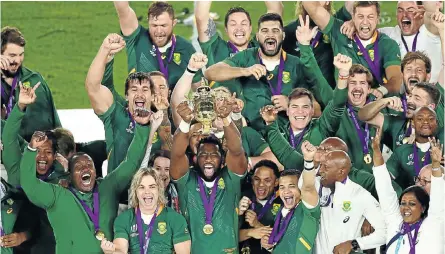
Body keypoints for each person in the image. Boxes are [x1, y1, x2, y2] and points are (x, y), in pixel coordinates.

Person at [18, 107, 155, 253]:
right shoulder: (57, 195)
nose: (85, 168)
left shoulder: (108, 187)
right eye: (78, 166)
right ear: (69, 175)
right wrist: (31, 149)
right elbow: (29, 184)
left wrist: (142, 127)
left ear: (96, 172)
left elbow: (131, 162)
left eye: (89, 165)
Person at [205, 13, 330, 130]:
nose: (270, 35)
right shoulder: (246, 57)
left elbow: (318, 110)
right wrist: (245, 71)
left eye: (275, 31)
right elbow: (211, 72)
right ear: (257, 36)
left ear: (283, 35)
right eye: (265, 31)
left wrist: (291, 105)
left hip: (284, 136)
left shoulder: (296, 64)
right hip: (251, 134)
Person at [170, 92, 248, 253]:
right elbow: (176, 154)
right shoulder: (186, 180)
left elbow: (236, 150)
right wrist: (185, 123)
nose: (208, 159)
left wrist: (226, 118)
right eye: (203, 155)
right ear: (194, 160)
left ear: (223, 161)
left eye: (214, 155)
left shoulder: (231, 179)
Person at [2, 81, 68, 254]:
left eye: (47, 152)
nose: (42, 156)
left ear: (55, 156)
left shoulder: (59, 179)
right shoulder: (18, 167)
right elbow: (9, 136)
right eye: (37, 150)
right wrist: (21, 105)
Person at [85, 33, 154, 173]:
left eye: (145, 89)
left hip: (151, 192)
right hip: (119, 192)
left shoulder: (160, 120)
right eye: (134, 89)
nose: (140, 94)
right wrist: (105, 51)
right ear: (126, 96)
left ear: (152, 96)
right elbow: (93, 87)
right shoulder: (116, 115)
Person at [303, 1, 402, 99]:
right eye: (360, 17)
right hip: (344, 106)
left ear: (377, 18)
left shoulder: (387, 44)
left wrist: (381, 90)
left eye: (370, 17)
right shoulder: (340, 31)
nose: (365, 22)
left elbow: (396, 79)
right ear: (353, 17)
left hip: (373, 104)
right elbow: (311, 6)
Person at [371, 127, 444, 254]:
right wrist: (377, 152)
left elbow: (438, 197)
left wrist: (436, 165)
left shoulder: (435, 221)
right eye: (403, 203)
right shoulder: (395, 222)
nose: (405, 207)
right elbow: (385, 190)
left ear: (423, 208)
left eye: (412, 204)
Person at [260, 53, 350, 154]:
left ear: (312, 111)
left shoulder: (322, 127)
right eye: (295, 106)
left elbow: (337, 105)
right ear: (288, 111)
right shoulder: (279, 133)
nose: (300, 111)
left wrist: (343, 74)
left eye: (305, 107)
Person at [113, 1, 202, 89]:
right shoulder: (137, 38)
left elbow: (198, 87)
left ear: (173, 23)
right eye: (154, 25)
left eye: (163, 25)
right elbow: (122, 9)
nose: (159, 31)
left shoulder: (186, 48)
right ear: (148, 22)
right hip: (140, 101)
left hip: (171, 102)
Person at [100, 169, 191, 254]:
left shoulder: (175, 219)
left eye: (152, 187)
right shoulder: (124, 219)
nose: (147, 192)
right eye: (141, 187)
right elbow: (120, 249)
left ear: (159, 190)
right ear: (135, 191)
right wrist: (111, 251)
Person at [314, 149, 386, 254]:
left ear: (341, 171)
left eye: (326, 167)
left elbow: (385, 231)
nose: (320, 170)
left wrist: (354, 244)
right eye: (321, 165)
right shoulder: (317, 186)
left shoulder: (360, 195)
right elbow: (302, 185)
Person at [0, 26, 61, 141]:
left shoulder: (35, 81)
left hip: (37, 153)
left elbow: (55, 124)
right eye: (12, 55)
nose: (18, 60)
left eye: (21, 54)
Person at [260, 141, 320, 253]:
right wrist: (269, 245)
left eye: (291, 186)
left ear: (300, 188)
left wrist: (308, 160)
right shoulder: (281, 212)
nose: (285, 191)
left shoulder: (308, 210)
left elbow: (308, 187)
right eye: (282, 187)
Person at [283, 1, 354, 88]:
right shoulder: (288, 32)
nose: (314, 2)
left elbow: (354, 5)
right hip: (300, 97)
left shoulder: (338, 23)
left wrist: (354, 20)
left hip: (330, 97)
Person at [358, 82, 442, 151]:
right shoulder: (397, 123)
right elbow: (363, 115)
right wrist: (384, 101)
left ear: (431, 107)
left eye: (417, 98)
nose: (409, 100)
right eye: (410, 96)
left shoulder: (441, 133)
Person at [379, 1, 444, 83]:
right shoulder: (387, 34)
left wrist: (430, 13)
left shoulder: (430, 31)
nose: (404, 14)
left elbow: (434, 16)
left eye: (410, 10)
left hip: (432, 91)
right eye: (400, 11)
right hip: (400, 93)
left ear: (420, 13)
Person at [385, 107, 443, 189]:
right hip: (413, 198)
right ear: (412, 123)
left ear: (436, 123)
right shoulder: (402, 151)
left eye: (431, 119)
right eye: (420, 119)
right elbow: (384, 179)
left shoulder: (442, 147)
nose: (426, 122)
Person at [238, 160, 281, 254]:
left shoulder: (283, 203)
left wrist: (257, 224)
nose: (261, 184)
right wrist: (237, 213)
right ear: (252, 180)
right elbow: (227, 236)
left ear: (276, 182)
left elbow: (283, 242)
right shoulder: (242, 198)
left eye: (267, 180)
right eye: (257, 179)